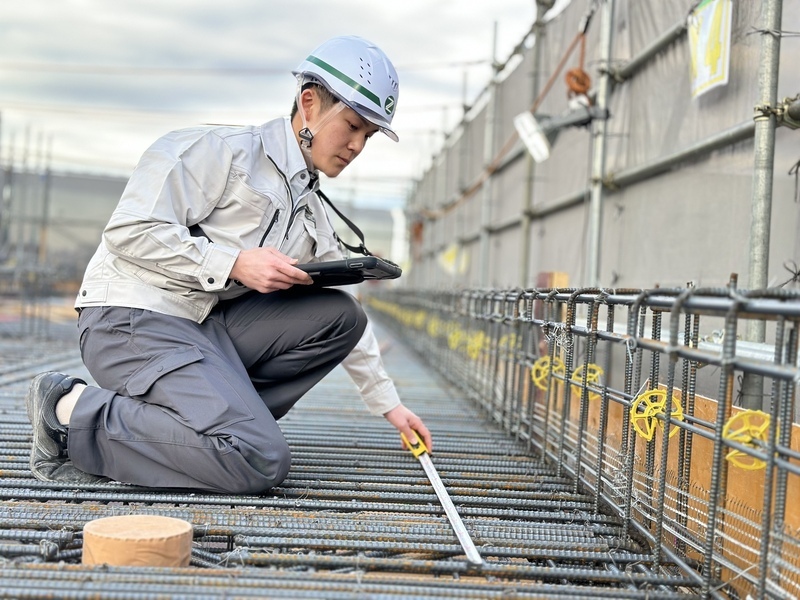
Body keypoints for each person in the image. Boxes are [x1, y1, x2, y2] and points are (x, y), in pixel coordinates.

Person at [25, 35, 432, 493]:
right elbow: (128, 231)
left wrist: (389, 405)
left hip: (204, 334)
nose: (357, 145)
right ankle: (68, 411)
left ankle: (195, 422)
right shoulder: (217, 151)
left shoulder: (312, 213)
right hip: (133, 320)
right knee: (259, 460)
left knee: (341, 315)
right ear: (310, 103)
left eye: (368, 136)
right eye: (353, 126)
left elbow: (348, 320)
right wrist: (234, 262)